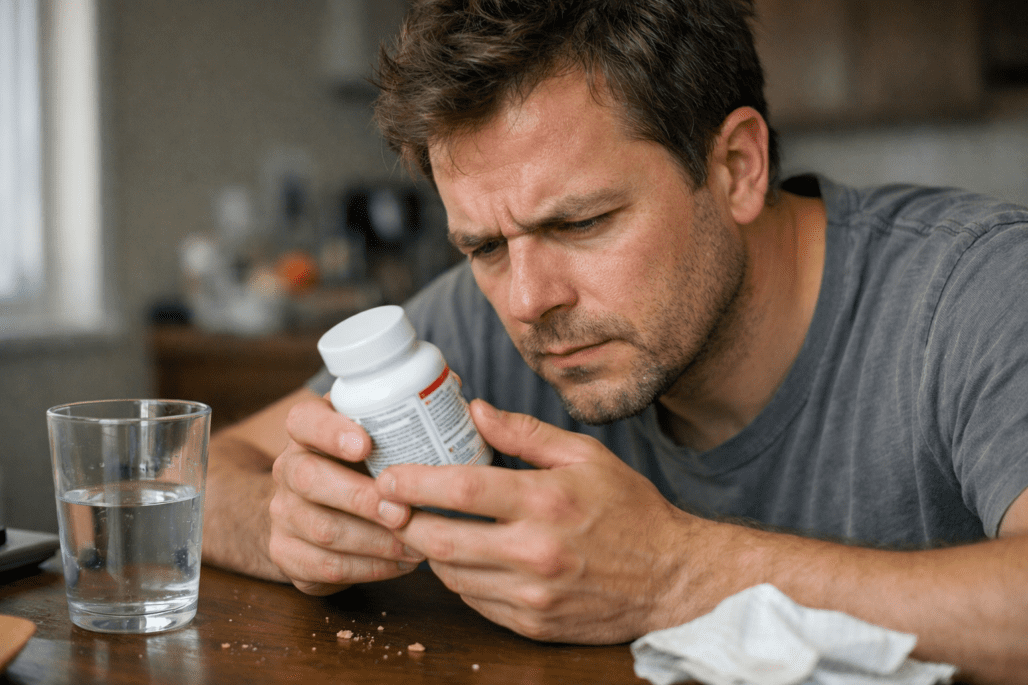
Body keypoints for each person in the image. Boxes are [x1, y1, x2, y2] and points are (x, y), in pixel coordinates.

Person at [200, 0, 1028, 681]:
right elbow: (202, 473)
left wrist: (677, 571)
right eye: (483, 246)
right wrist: (292, 522)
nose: (530, 302)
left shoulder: (981, 288)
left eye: (583, 222)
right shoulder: (482, 321)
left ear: (737, 167)